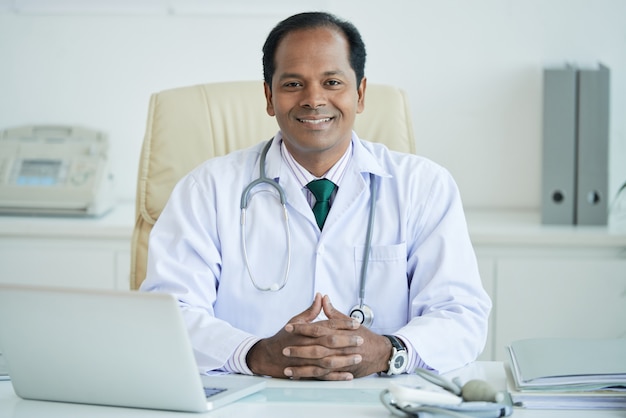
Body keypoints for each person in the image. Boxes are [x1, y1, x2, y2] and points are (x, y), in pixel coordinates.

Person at [140, 11, 491, 381]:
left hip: (378, 400)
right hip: (249, 399)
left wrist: (389, 351)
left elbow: (460, 314)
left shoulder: (423, 186)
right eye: (293, 84)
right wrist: (252, 353)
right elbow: (168, 313)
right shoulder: (207, 189)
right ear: (269, 96)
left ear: (360, 94)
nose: (313, 99)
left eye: (332, 82)